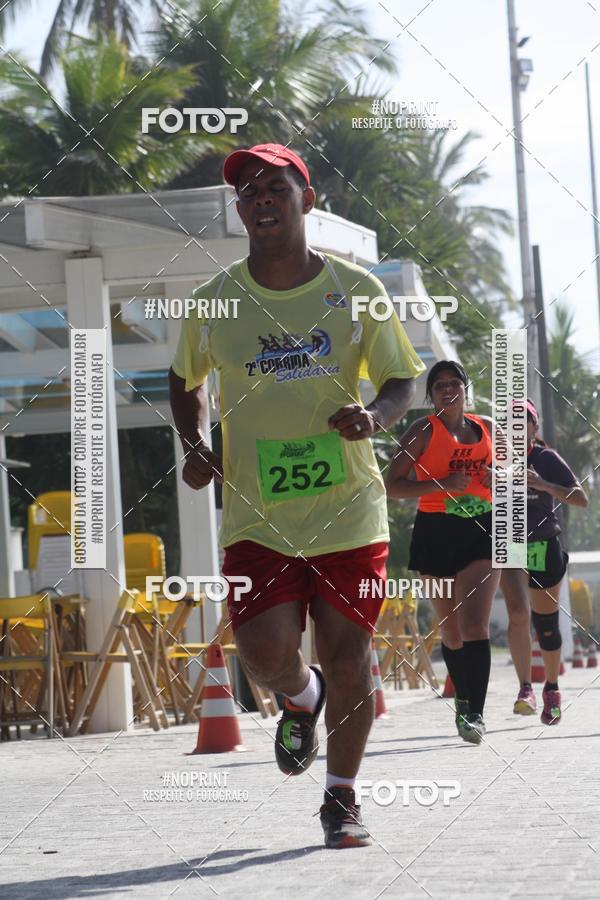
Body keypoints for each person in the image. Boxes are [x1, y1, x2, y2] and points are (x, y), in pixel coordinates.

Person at [168, 143, 425, 848]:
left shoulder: (358, 289)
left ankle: (341, 799)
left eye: (274, 187)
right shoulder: (214, 301)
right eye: (247, 191)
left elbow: (404, 378)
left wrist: (375, 415)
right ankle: (300, 696)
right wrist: (195, 447)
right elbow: (183, 379)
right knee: (262, 655)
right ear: (240, 210)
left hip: (349, 509)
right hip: (256, 515)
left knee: (352, 659)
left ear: (305, 199)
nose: (260, 199)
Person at [386, 360, 501, 745]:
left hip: (481, 529)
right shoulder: (422, 430)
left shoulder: (487, 428)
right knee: (450, 632)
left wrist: (497, 477)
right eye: (439, 386)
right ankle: (462, 700)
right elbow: (391, 485)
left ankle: (476, 714)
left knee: (474, 626)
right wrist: (441, 484)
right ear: (431, 394)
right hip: (435, 531)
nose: (448, 390)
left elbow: (514, 475)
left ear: (466, 389)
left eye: (454, 383)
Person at [500, 399, 588, 724]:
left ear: (534, 428)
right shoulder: (496, 460)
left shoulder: (545, 458)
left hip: (542, 544)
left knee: (546, 626)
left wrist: (541, 484)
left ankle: (551, 688)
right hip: (510, 545)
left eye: (523, 423)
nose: (516, 429)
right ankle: (525, 688)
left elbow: (581, 498)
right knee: (519, 615)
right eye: (509, 424)